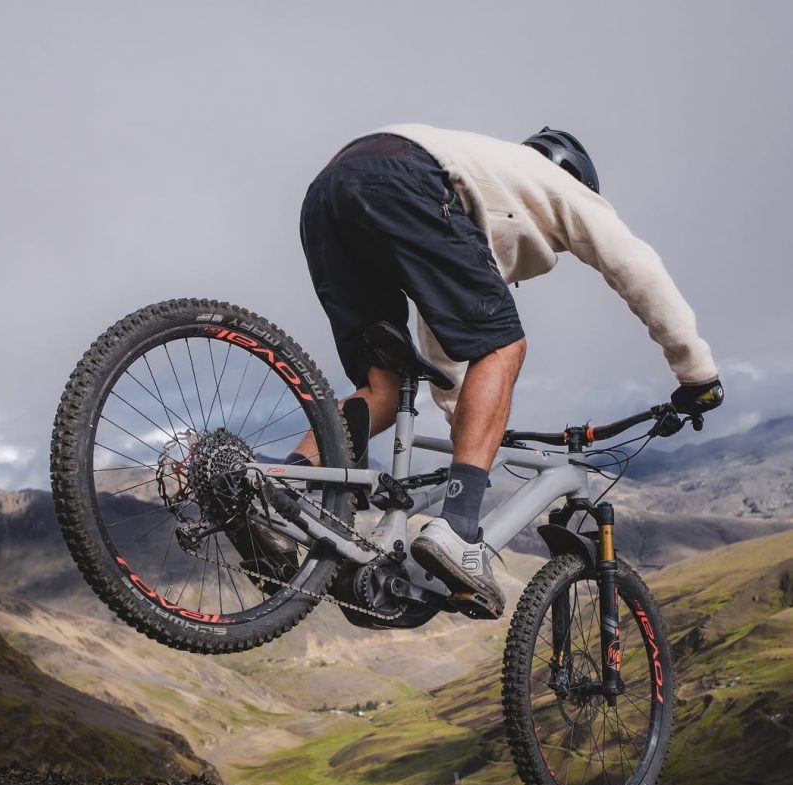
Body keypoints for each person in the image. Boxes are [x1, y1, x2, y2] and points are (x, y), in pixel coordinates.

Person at [289, 124, 724, 617]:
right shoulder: (557, 185)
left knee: (381, 390)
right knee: (506, 345)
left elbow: (450, 358)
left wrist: (476, 428)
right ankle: (456, 530)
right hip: (404, 176)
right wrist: (697, 374)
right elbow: (637, 266)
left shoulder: (484, 182)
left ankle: (279, 493)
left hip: (328, 194)